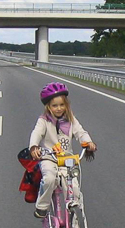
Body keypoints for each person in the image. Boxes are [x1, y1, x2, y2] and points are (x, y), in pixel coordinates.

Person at [28, 82, 97, 219]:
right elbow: (36, 133)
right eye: (55, 106)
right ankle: (42, 206)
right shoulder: (44, 121)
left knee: (74, 190)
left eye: (62, 105)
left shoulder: (71, 120)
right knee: (49, 178)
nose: (59, 108)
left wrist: (88, 142)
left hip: (67, 159)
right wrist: (34, 147)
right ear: (48, 107)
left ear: (66, 105)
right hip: (49, 158)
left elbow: (80, 132)